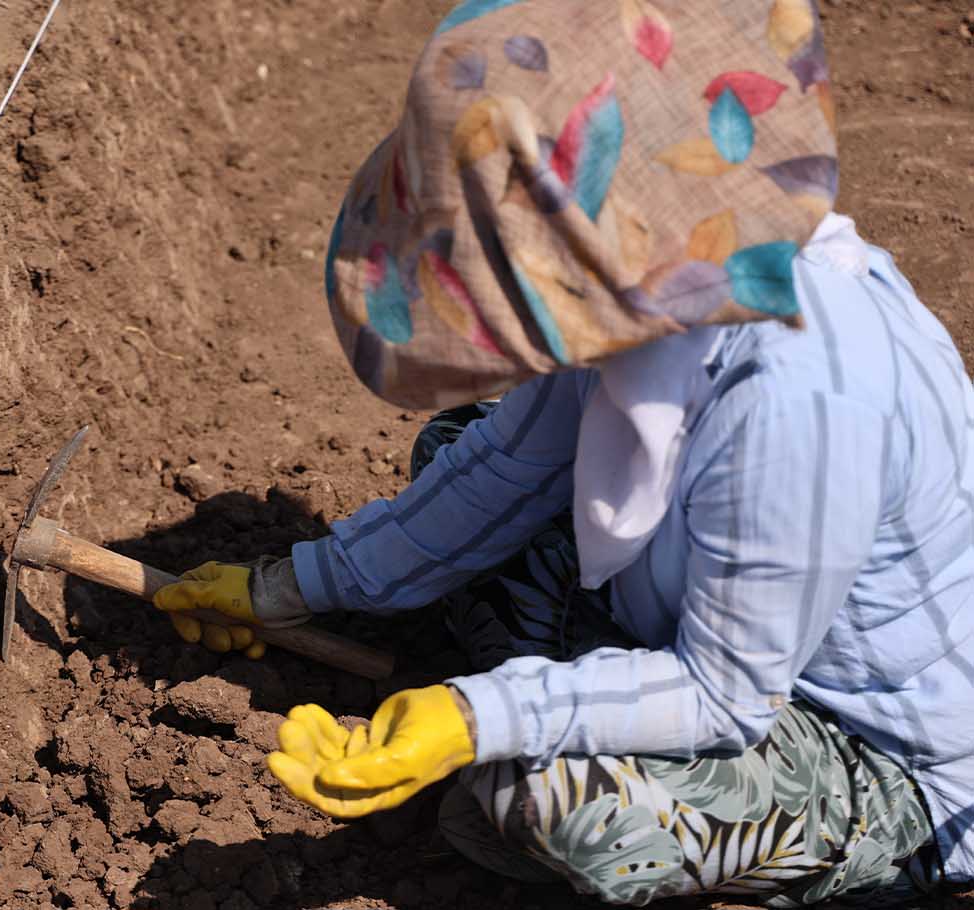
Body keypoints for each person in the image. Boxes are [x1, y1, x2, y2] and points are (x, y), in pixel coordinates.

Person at [155, 1, 973, 905]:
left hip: (868, 748)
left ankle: (855, 869)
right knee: (455, 449)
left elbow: (727, 693)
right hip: (706, 623)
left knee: (548, 796)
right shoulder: (657, 276)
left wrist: (477, 718)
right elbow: (511, 468)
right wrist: (291, 586)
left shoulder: (801, 397)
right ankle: (533, 684)